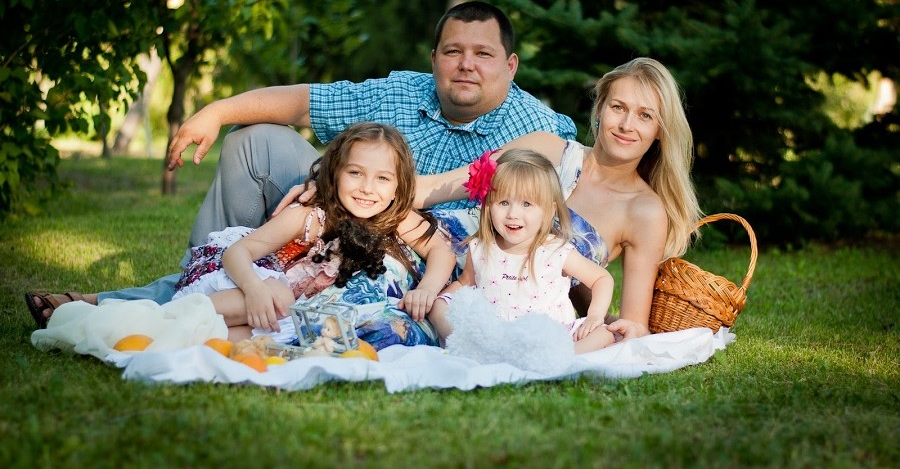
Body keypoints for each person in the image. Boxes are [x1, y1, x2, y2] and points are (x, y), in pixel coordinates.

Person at [25, 0, 576, 328]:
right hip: (339, 215)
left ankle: (125, 305)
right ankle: (207, 281)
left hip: (405, 258)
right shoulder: (403, 91)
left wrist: (348, 188)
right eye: (453, 51)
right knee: (255, 139)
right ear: (434, 58)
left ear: (510, 65)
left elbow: (544, 180)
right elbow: (304, 102)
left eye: (483, 54)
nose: (466, 65)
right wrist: (217, 111)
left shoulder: (537, 124)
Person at [416, 57, 703, 340]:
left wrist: (594, 324)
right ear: (600, 109)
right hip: (432, 258)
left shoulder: (644, 211)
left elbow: (632, 324)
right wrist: (389, 192)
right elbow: (438, 186)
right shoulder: (547, 148)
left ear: (660, 130)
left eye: (645, 116)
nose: (627, 125)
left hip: (499, 312)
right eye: (618, 107)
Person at [166, 122, 457, 348]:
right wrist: (254, 288)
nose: (367, 188)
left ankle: (174, 335)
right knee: (279, 299)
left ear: (397, 187)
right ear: (334, 173)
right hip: (246, 278)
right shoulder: (311, 216)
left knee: (257, 340)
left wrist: (427, 289)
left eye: (382, 178)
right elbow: (237, 253)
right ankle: (168, 317)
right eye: (355, 173)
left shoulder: (395, 218)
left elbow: (441, 251)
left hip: (287, 315)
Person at [427, 149, 616, 353]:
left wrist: (595, 315)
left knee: (604, 334)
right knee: (438, 307)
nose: (513, 214)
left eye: (527, 204)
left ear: (549, 211)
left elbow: (601, 279)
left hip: (550, 336)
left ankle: (563, 358)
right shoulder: (481, 249)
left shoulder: (555, 251)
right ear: (488, 206)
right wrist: (438, 301)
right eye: (504, 202)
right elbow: (465, 282)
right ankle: (468, 346)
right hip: (496, 335)